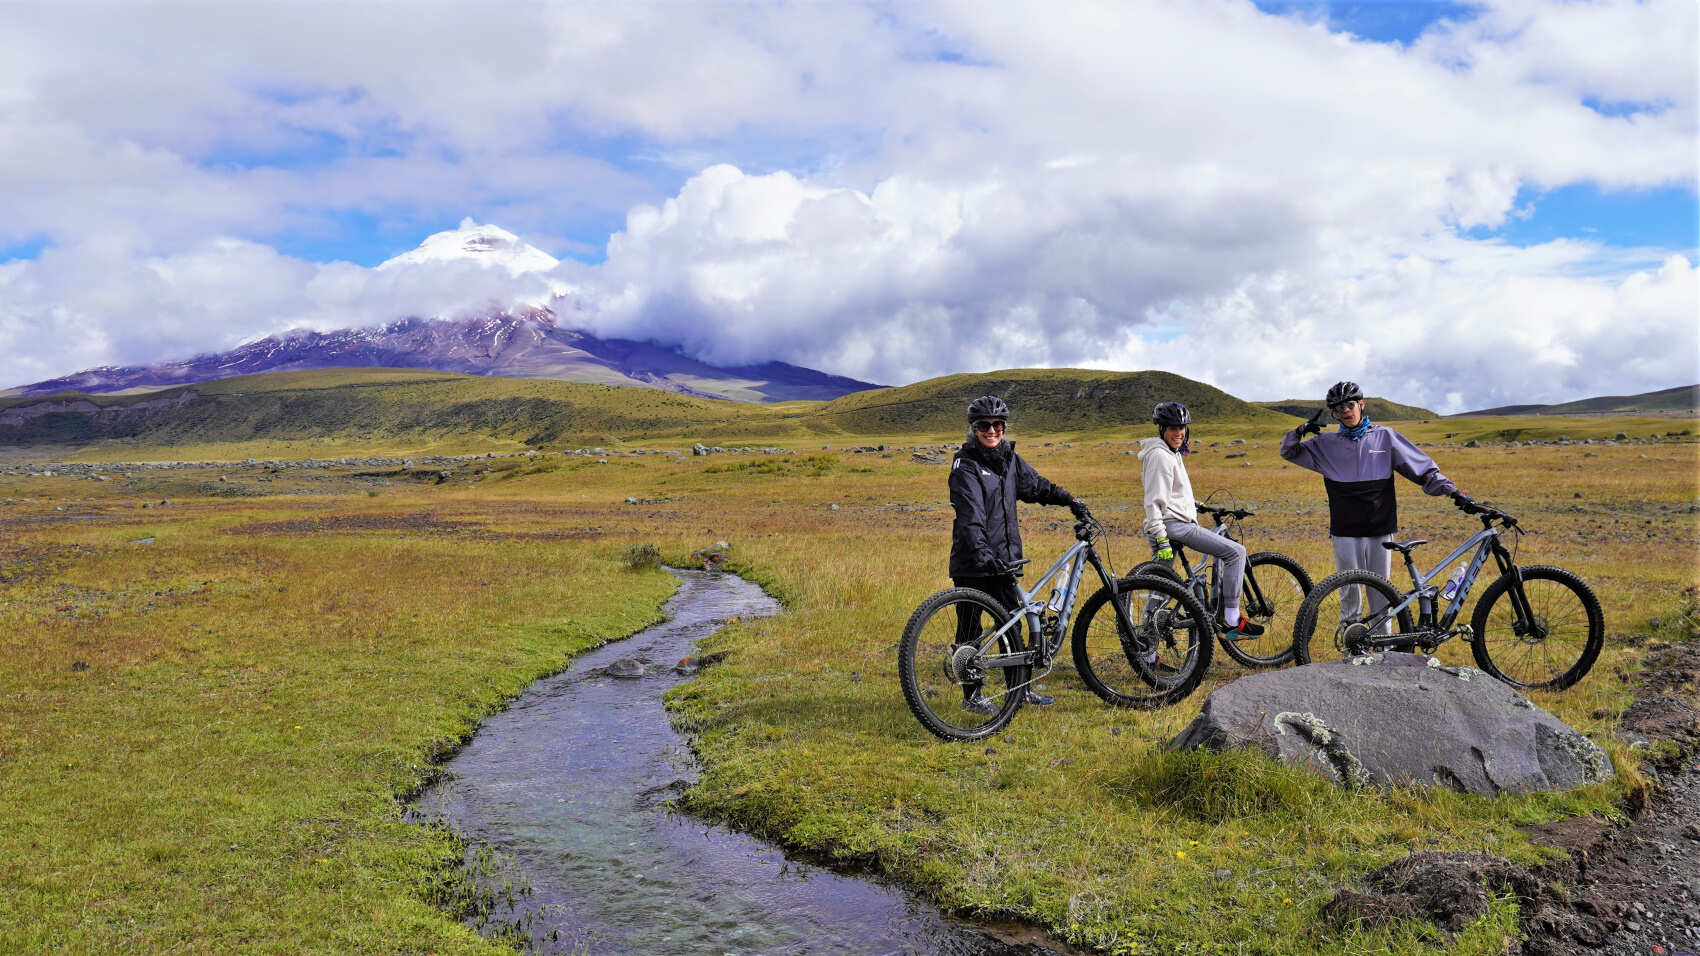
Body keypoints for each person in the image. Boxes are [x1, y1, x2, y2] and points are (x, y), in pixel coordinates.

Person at [1279, 381, 1466, 628]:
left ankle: (1384, 649)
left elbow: (1421, 469)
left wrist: (1452, 491)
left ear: (1361, 404)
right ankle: (1351, 645)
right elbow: (1288, 451)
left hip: (1380, 529)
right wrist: (1300, 430)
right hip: (1345, 531)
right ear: (1333, 414)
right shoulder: (1324, 445)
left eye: (1349, 404)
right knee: (1349, 592)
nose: (1345, 411)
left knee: (1381, 595)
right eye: (1337, 409)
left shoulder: (1385, 437)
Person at [949, 395, 1091, 713]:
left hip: (1003, 560)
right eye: (984, 425)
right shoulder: (966, 464)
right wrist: (984, 554)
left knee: (1012, 627)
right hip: (973, 562)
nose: (992, 430)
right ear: (974, 428)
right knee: (970, 630)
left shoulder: (1009, 459)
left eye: (997, 425)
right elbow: (970, 517)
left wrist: (1071, 500)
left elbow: (1036, 486)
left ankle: (1020, 691)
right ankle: (972, 697)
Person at [1137, 402, 1265, 639]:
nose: (1179, 433)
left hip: (1172, 525)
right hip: (1173, 527)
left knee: (1160, 591)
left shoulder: (1171, 453)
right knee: (1236, 552)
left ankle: (1146, 653)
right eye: (1173, 428)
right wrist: (1162, 539)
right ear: (1162, 428)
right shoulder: (1161, 457)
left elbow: (1172, 493)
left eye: (1182, 427)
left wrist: (1199, 506)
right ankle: (1231, 620)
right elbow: (1154, 501)